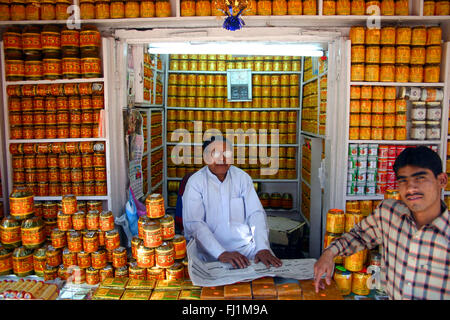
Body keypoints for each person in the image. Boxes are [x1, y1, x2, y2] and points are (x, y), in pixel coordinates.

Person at [314, 146, 450, 299]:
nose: (411, 188)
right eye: (403, 180)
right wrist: (329, 254)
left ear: (442, 180)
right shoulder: (389, 214)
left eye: (420, 178)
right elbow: (358, 236)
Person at [182, 135, 282, 269]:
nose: (222, 159)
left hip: (246, 250)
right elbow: (195, 224)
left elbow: (256, 213)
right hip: (209, 253)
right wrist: (221, 253)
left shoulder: (242, 178)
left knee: (270, 276)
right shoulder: (195, 183)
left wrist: (262, 247)